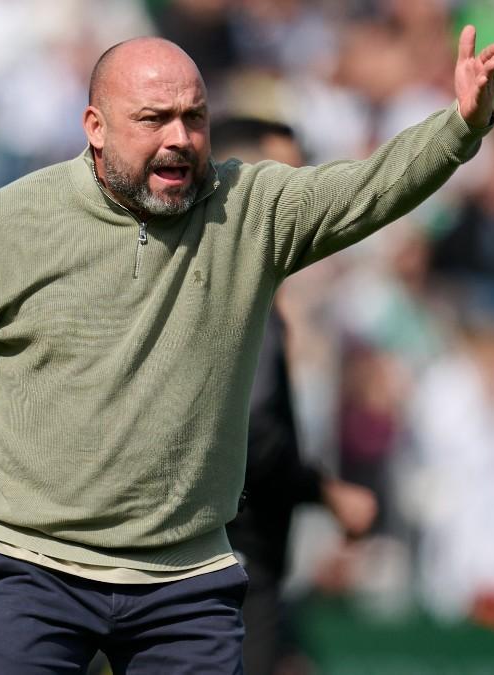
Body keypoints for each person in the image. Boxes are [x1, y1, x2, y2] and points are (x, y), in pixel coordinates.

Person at [0, 30, 494, 673]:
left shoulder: (249, 208)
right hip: (36, 570)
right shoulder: (8, 224)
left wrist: (460, 126)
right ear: (94, 127)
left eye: (194, 118)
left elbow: (369, 188)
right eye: (154, 119)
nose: (179, 138)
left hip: (187, 585)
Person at [213, 116, 378, 675]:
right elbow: (252, 431)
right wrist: (324, 491)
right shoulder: (238, 300)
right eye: (286, 180)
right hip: (235, 554)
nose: (303, 198)